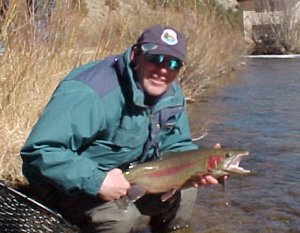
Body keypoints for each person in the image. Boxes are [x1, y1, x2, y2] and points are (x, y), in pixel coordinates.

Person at [20, 25, 220, 233]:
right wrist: (97, 181)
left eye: (173, 63)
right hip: (66, 184)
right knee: (121, 219)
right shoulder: (90, 92)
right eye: (156, 58)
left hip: (128, 175)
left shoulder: (171, 92)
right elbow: (40, 150)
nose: (163, 70)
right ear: (135, 54)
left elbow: (176, 144)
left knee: (186, 193)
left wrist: (197, 164)